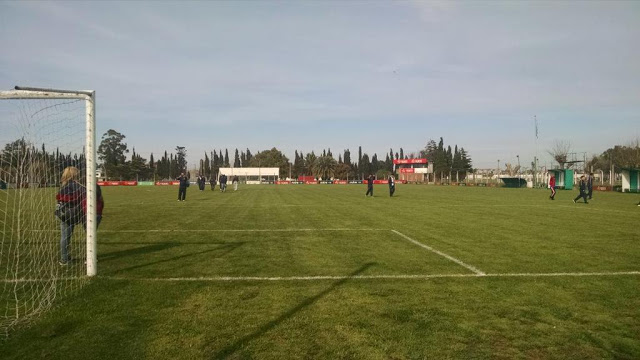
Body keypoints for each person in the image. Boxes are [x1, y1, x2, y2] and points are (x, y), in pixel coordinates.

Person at [56, 166, 86, 265]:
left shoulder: (63, 186)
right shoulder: (79, 186)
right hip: (76, 213)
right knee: (88, 233)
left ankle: (64, 258)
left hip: (63, 214)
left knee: (65, 237)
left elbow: (59, 200)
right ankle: (89, 255)